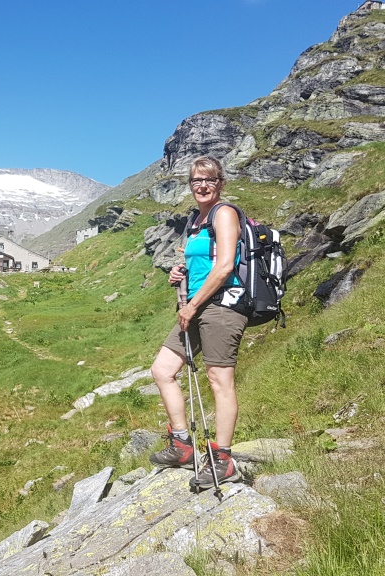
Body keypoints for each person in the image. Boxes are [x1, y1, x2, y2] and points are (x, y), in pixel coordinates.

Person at [148, 156, 248, 488]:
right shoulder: (196, 220)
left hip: (222, 306)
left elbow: (224, 267)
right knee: (162, 370)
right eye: (196, 181)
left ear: (221, 183)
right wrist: (181, 272)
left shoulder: (224, 213)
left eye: (209, 180)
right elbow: (203, 263)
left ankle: (223, 460)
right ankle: (182, 445)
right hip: (195, 305)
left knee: (219, 380)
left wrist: (191, 305)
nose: (202, 186)